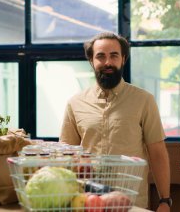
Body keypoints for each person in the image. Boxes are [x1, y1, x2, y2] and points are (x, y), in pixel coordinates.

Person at [59, 32, 171, 212]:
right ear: (91, 61)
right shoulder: (75, 103)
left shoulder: (144, 100)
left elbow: (157, 153)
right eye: (100, 56)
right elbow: (66, 152)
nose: (108, 62)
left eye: (114, 55)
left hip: (132, 202)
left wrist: (165, 200)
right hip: (88, 202)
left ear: (123, 59)